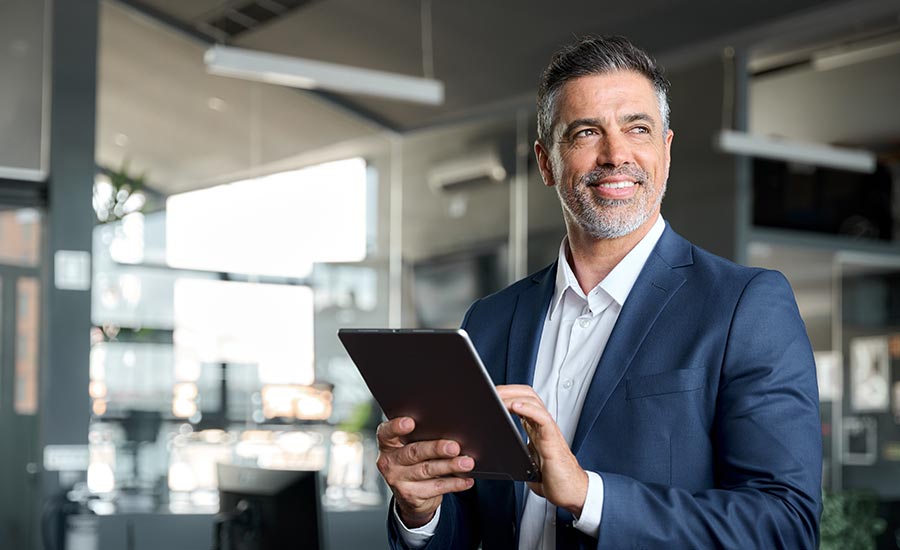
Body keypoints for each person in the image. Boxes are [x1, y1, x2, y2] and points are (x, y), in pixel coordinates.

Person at [376, 35, 822, 549]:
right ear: (546, 162)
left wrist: (590, 497)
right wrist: (421, 510)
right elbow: (469, 520)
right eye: (586, 132)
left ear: (665, 151)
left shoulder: (745, 305)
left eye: (638, 128)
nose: (615, 155)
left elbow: (785, 526)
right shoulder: (490, 320)